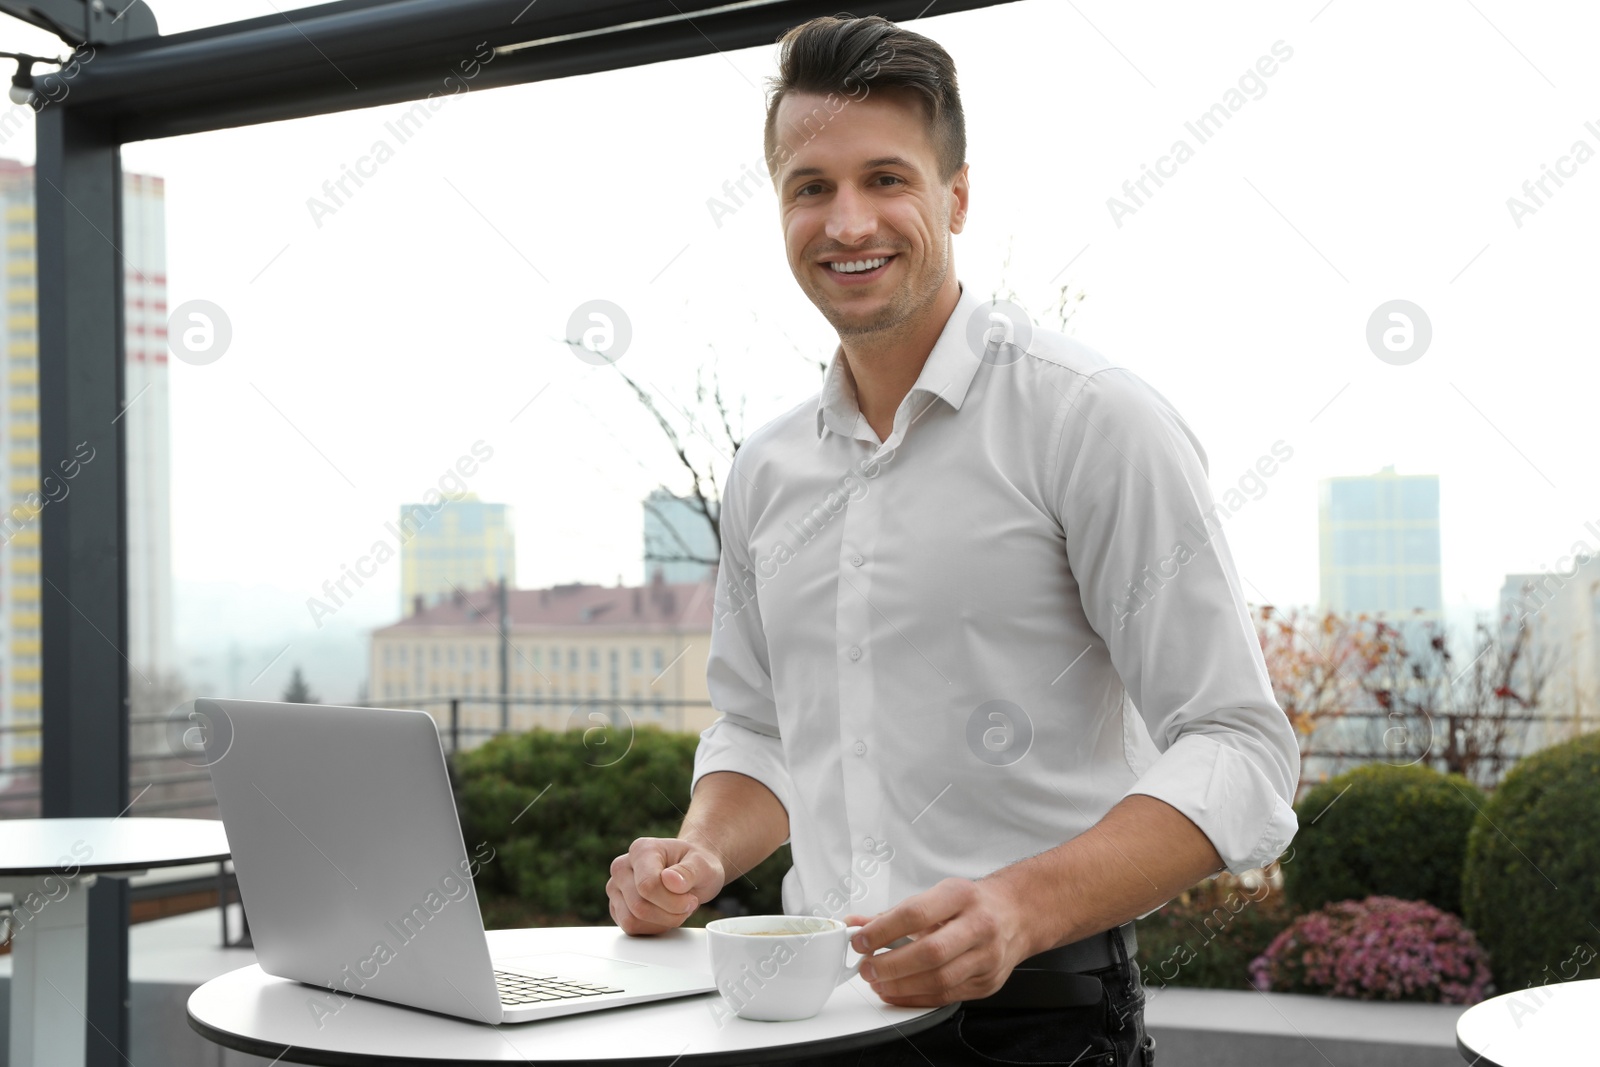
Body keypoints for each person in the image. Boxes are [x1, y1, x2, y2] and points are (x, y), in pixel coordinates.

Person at [606, 14, 1300, 1065]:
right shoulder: (768, 469)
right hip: (813, 1019)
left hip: (1041, 1021)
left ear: (955, 196)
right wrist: (697, 854)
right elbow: (760, 733)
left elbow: (1241, 749)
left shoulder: (1091, 419)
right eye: (810, 186)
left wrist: (1017, 907)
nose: (847, 222)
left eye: (886, 178)